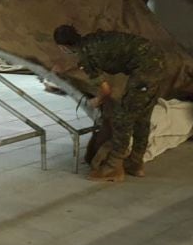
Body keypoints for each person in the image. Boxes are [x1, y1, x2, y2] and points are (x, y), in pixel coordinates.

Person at [53, 25, 165, 182]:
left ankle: (113, 168)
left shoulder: (86, 55)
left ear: (63, 47)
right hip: (157, 62)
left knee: (122, 118)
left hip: (145, 70)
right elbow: (98, 59)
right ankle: (135, 164)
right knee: (142, 117)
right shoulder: (91, 41)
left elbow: (106, 91)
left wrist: (95, 101)